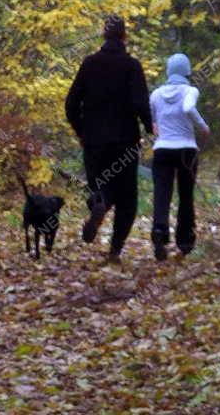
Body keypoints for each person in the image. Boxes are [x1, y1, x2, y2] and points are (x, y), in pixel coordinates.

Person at [64, 14, 152, 260]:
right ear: (124, 36)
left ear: (103, 35)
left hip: (94, 142)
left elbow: (71, 103)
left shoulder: (89, 64)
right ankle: (115, 249)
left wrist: (82, 131)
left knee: (100, 186)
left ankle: (99, 204)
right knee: (127, 198)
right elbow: (140, 103)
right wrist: (149, 127)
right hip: (125, 141)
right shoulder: (132, 66)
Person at [149, 52, 210, 261]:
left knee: (162, 194)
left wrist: (160, 131)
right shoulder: (191, 91)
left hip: (162, 150)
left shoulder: (156, 94)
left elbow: (152, 123)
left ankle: (159, 231)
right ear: (187, 71)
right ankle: (185, 241)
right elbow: (188, 108)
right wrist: (203, 127)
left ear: (168, 70)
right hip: (186, 150)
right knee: (186, 196)